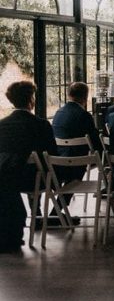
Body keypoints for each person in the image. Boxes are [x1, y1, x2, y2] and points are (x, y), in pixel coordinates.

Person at [0, 81, 57, 251]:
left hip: (5, 179)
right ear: (31, 100)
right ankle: (39, 212)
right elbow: (52, 155)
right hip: (33, 180)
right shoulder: (41, 125)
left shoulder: (1, 125)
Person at [51, 82, 103, 211]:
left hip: (57, 161)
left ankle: (56, 211)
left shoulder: (58, 113)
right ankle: (56, 211)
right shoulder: (84, 115)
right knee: (101, 160)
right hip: (76, 165)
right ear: (85, 97)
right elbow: (96, 143)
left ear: (69, 95)